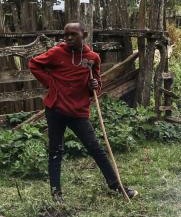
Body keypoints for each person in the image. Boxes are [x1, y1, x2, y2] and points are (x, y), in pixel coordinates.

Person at [28, 22, 137, 202]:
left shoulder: (92, 57)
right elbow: (34, 64)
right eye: (66, 35)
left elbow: (96, 84)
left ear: (83, 34)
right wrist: (51, 83)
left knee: (95, 148)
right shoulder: (57, 52)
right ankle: (56, 194)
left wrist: (94, 85)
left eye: (73, 34)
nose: (69, 38)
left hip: (78, 110)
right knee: (55, 150)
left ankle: (116, 186)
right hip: (55, 109)